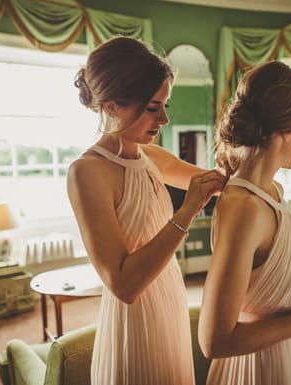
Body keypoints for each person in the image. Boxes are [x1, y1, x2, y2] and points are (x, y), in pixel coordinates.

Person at [67, 36, 227, 384]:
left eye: (165, 105)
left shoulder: (150, 156)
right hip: (135, 319)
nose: (165, 119)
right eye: (153, 108)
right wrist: (186, 212)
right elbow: (124, 285)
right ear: (112, 106)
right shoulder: (88, 172)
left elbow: (215, 182)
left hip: (171, 299)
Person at [198, 61, 291, 384]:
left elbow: (265, 272)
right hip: (258, 369)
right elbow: (214, 340)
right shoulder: (245, 208)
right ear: (286, 130)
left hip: (287, 355)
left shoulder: (272, 191)